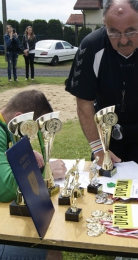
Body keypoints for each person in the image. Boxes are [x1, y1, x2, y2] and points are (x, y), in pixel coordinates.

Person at [65, 0, 138, 170]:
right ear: (105, 24)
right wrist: (99, 150)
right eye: (114, 32)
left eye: (130, 31)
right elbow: (84, 104)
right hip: (105, 137)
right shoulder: (91, 47)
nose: (123, 41)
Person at [0, 89, 65, 259]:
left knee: (51, 239)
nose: (31, 136)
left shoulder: (6, 129)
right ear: (19, 117)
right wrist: (44, 171)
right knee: (51, 248)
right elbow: (6, 189)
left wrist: (24, 154)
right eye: (31, 129)